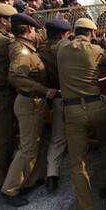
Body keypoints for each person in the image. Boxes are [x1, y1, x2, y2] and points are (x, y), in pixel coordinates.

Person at [57, 18, 106, 210]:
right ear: (92, 32)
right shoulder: (96, 50)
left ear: (74, 31)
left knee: (78, 160)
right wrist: (102, 42)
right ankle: (105, 185)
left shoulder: (62, 48)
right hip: (96, 105)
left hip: (72, 109)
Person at [0, 13, 57, 206]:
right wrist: (43, 90)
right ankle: (10, 189)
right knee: (27, 148)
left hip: (32, 103)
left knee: (35, 144)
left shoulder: (24, 47)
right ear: (29, 30)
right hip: (29, 103)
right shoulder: (22, 52)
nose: (37, 33)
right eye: (35, 30)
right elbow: (16, 77)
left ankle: (30, 180)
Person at [39, 18, 72, 193]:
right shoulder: (68, 50)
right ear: (62, 35)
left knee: (57, 139)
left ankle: (52, 175)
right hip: (71, 98)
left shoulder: (41, 51)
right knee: (76, 137)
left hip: (55, 98)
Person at [0, 3, 17, 189]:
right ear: (3, 21)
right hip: (1, 92)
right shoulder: (2, 41)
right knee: (3, 136)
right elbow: (26, 42)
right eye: (12, 20)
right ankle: (3, 179)